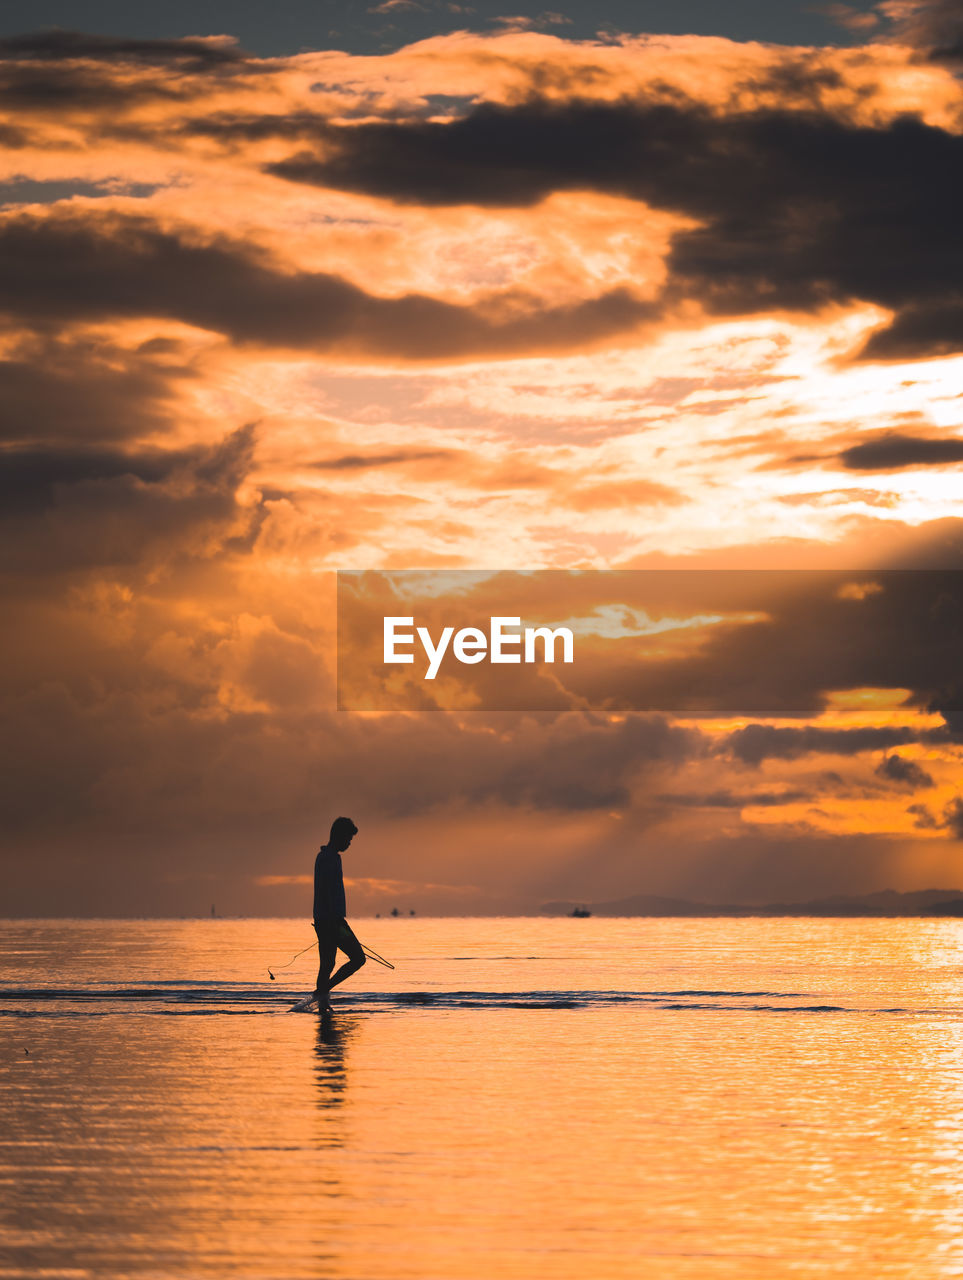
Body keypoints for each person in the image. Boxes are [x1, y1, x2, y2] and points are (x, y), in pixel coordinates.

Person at [313, 816, 366, 1011]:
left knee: (327, 964)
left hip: (325, 920)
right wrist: (336, 923)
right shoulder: (328, 858)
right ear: (339, 836)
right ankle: (323, 993)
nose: (349, 843)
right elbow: (327, 892)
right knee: (358, 958)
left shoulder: (329, 857)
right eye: (348, 839)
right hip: (331, 922)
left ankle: (322, 1004)